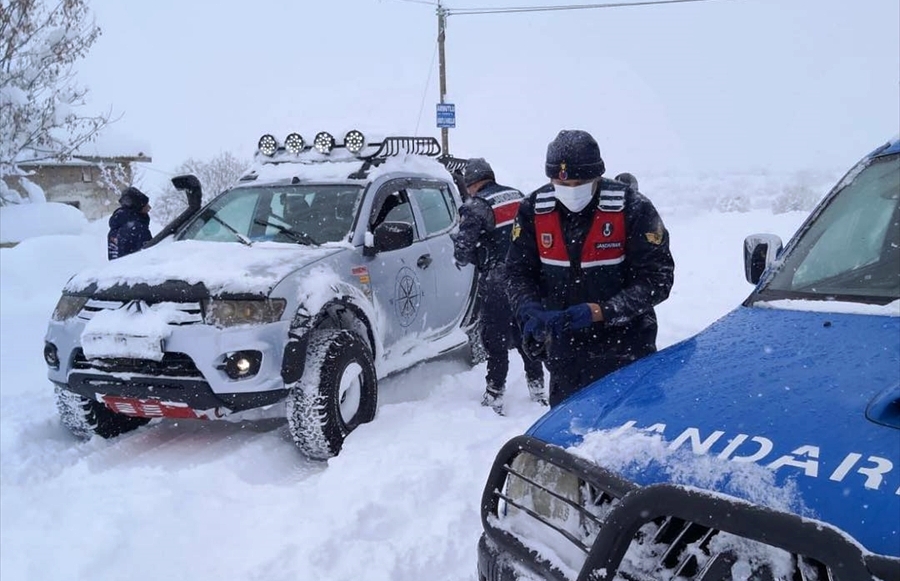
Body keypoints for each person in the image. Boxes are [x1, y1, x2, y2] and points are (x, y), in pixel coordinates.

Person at [506, 130, 674, 407]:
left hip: (626, 350)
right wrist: (529, 311)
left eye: (579, 183)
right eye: (561, 184)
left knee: (628, 436)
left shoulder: (632, 208)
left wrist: (600, 312)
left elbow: (658, 279)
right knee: (568, 439)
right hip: (565, 352)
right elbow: (517, 272)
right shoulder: (534, 209)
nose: (571, 191)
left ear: (597, 175)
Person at [452, 158, 547, 415]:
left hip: (497, 280)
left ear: (471, 184)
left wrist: (465, 248)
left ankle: (494, 395)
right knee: (527, 330)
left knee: (494, 339)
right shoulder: (517, 196)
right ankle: (537, 388)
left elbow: (462, 250)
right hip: (527, 278)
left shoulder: (475, 206)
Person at [107, 186, 152, 260]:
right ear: (137, 207)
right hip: (138, 270)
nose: (149, 208)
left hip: (117, 271)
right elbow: (150, 255)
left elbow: (114, 259)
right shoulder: (138, 229)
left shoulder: (115, 228)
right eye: (146, 205)